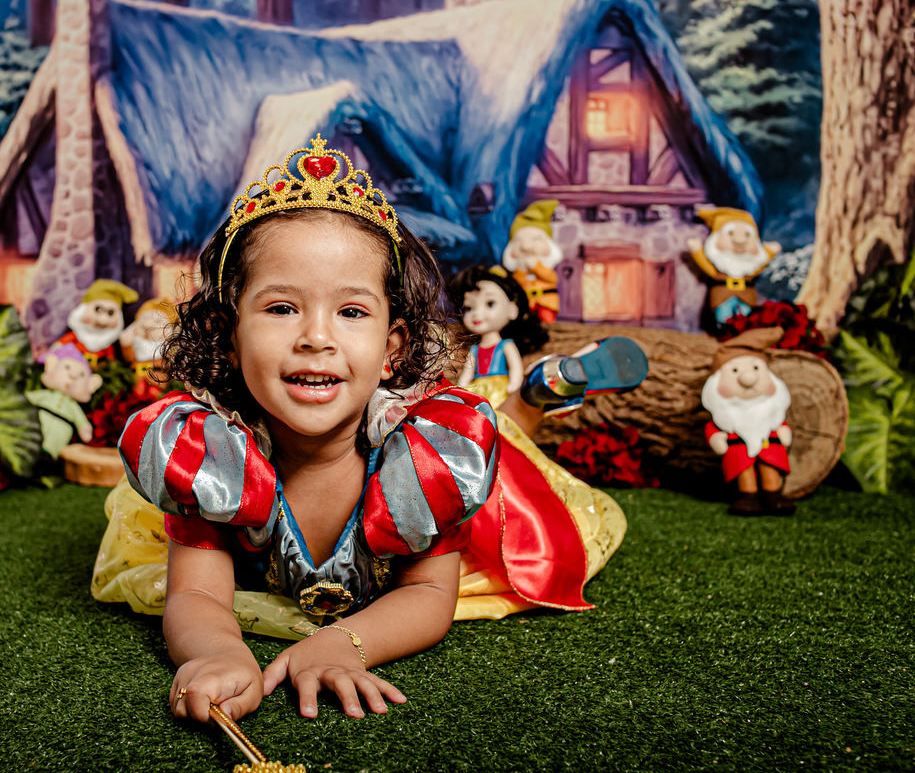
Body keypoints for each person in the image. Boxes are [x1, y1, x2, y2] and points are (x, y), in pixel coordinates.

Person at [92, 135, 644, 725]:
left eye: (351, 312)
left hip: (470, 457)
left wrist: (344, 643)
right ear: (228, 337)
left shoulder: (432, 459)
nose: (317, 337)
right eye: (281, 308)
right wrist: (218, 651)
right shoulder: (210, 460)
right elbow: (197, 595)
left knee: (504, 442)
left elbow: (430, 593)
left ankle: (538, 390)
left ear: (390, 348)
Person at [700, 328, 793, 515]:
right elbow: (712, 429)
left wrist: (784, 431)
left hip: (768, 447)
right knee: (744, 470)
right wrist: (716, 438)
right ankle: (748, 496)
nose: (748, 379)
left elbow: (780, 423)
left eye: (756, 368)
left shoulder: (771, 411)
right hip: (739, 452)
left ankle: (772, 493)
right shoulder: (724, 415)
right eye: (734, 371)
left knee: (770, 467)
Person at [448, 265, 548, 395]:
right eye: (469, 308)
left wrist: (514, 384)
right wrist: (460, 388)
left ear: (512, 310)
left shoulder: (506, 345)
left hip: (500, 389)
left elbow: (515, 368)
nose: (477, 314)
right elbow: (467, 373)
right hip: (478, 389)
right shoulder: (474, 350)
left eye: (490, 304)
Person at [686, 207, 780, 328]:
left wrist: (769, 252)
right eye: (730, 233)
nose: (739, 241)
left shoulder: (749, 266)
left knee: (746, 315)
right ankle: (724, 330)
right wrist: (697, 251)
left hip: (746, 297)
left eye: (747, 235)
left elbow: (758, 266)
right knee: (723, 315)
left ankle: (742, 330)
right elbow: (708, 268)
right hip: (722, 296)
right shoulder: (719, 265)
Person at [501, 200, 563, 322]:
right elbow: (516, 283)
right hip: (524, 303)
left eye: (535, 240)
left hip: (546, 302)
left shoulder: (544, 267)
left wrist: (536, 267)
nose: (526, 247)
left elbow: (552, 278)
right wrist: (521, 270)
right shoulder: (518, 271)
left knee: (547, 320)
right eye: (520, 242)